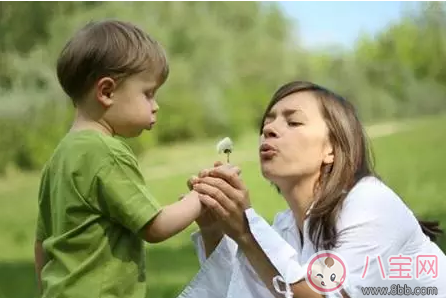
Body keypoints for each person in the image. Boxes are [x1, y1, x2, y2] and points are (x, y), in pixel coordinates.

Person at [179, 81, 446, 298]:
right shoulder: (286, 226)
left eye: (293, 122)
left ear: (330, 149)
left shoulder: (370, 203)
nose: (269, 129)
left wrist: (247, 231)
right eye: (266, 124)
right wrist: (214, 230)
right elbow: (244, 292)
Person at [34, 20, 203, 298]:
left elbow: (41, 243)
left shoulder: (59, 157)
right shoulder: (107, 151)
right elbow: (155, 226)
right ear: (107, 92)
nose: (155, 105)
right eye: (148, 93)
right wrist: (199, 198)